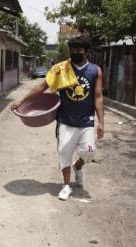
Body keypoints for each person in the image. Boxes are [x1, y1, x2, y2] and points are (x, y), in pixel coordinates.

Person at [11, 36, 104, 201]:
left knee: (90, 151)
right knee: (64, 153)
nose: (75, 53)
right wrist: (22, 100)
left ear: (87, 52)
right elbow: (42, 86)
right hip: (65, 120)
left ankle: (78, 166)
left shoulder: (95, 70)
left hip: (86, 121)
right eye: (73, 50)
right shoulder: (61, 69)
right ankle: (66, 185)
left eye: (79, 51)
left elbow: (98, 96)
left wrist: (101, 122)